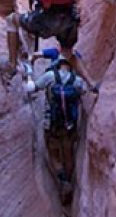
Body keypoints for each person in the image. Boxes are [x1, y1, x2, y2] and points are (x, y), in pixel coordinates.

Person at [23, 56, 86, 204]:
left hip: (51, 123)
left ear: (57, 65)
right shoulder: (77, 81)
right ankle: (69, 181)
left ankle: (63, 180)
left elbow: (31, 89)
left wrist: (29, 74)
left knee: (53, 152)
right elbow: (84, 91)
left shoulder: (50, 76)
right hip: (69, 125)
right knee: (68, 152)